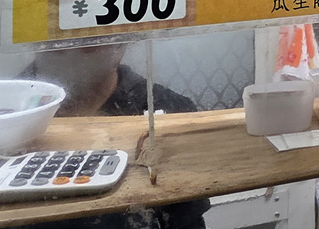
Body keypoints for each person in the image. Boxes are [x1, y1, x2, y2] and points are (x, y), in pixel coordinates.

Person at [18, 44, 209, 229]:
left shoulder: (169, 111)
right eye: (59, 41)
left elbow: (187, 221)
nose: (73, 49)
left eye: (89, 41)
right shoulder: (5, 114)